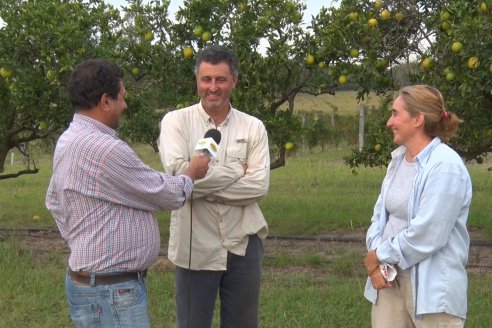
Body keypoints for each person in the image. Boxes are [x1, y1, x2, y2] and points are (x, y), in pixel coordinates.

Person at [45, 59, 210, 328]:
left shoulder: (69, 139)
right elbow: (163, 194)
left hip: (98, 284)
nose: (125, 105)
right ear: (105, 101)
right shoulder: (103, 148)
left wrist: (83, 241)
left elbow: (53, 201)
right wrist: (190, 174)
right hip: (110, 292)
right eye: (121, 98)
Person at [157, 45, 270, 328]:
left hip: (242, 243)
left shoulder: (253, 127)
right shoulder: (176, 122)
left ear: (234, 81)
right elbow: (176, 176)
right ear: (197, 80)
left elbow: (258, 186)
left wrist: (195, 180)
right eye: (206, 79)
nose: (213, 87)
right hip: (195, 245)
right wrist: (236, 171)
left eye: (220, 79)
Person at [363, 85, 472, 328]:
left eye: (395, 114)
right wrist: (378, 262)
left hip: (430, 291)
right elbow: (380, 216)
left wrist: (378, 255)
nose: (389, 121)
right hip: (390, 280)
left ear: (418, 119)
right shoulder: (398, 160)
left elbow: (428, 234)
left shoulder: (445, 167)